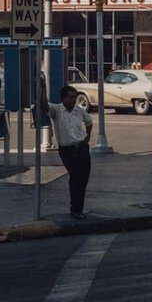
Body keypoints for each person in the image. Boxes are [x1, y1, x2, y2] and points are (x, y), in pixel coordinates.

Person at [43, 73, 95, 219]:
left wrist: (88, 137)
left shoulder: (80, 110)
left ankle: (78, 209)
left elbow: (89, 122)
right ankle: (74, 207)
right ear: (63, 98)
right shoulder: (57, 110)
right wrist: (42, 87)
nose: (73, 100)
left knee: (83, 178)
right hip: (67, 149)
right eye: (70, 97)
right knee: (76, 177)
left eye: (74, 97)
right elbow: (44, 104)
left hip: (81, 147)